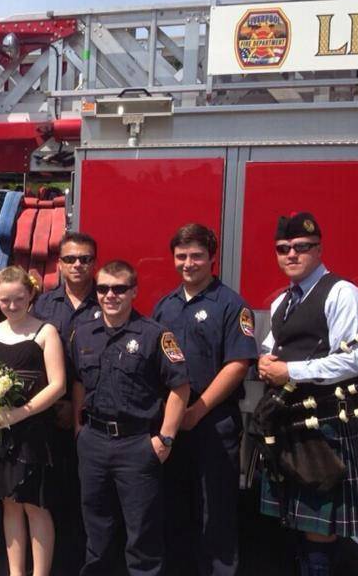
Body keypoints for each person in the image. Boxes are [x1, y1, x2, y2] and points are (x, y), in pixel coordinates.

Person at [257, 212, 358, 575]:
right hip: (286, 422)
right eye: (283, 248)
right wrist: (265, 360)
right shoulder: (282, 302)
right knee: (294, 520)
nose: (291, 254)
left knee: (317, 531)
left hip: (324, 422)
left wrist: (290, 371)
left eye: (301, 247)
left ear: (319, 249)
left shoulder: (342, 293)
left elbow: (355, 361)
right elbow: (275, 345)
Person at [152, 224, 258, 576]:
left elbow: (237, 364)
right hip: (173, 426)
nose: (188, 263)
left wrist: (197, 410)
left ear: (212, 258)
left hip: (213, 424)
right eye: (181, 256)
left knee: (216, 513)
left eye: (196, 255)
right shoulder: (164, 307)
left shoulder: (231, 305)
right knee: (176, 510)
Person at [72, 260, 190, 576]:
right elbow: (79, 383)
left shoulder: (155, 335)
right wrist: (78, 429)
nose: (111, 295)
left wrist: (164, 439)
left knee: (142, 533)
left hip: (137, 445)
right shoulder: (83, 334)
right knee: (96, 529)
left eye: (119, 288)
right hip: (93, 443)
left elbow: (180, 387)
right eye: (103, 288)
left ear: (134, 291)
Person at [0, 266, 66, 576]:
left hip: (32, 430)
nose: (11, 306)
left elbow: (58, 385)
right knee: (9, 503)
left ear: (30, 296)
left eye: (18, 299)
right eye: (4, 300)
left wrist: (20, 412)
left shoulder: (45, 332)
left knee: (34, 505)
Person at [31, 231, 98, 573]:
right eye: (70, 259)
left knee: (89, 501)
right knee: (51, 498)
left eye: (84, 259)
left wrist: (77, 409)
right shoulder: (42, 305)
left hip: (90, 421)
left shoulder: (108, 301)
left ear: (93, 263)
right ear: (59, 264)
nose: (77, 265)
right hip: (48, 416)